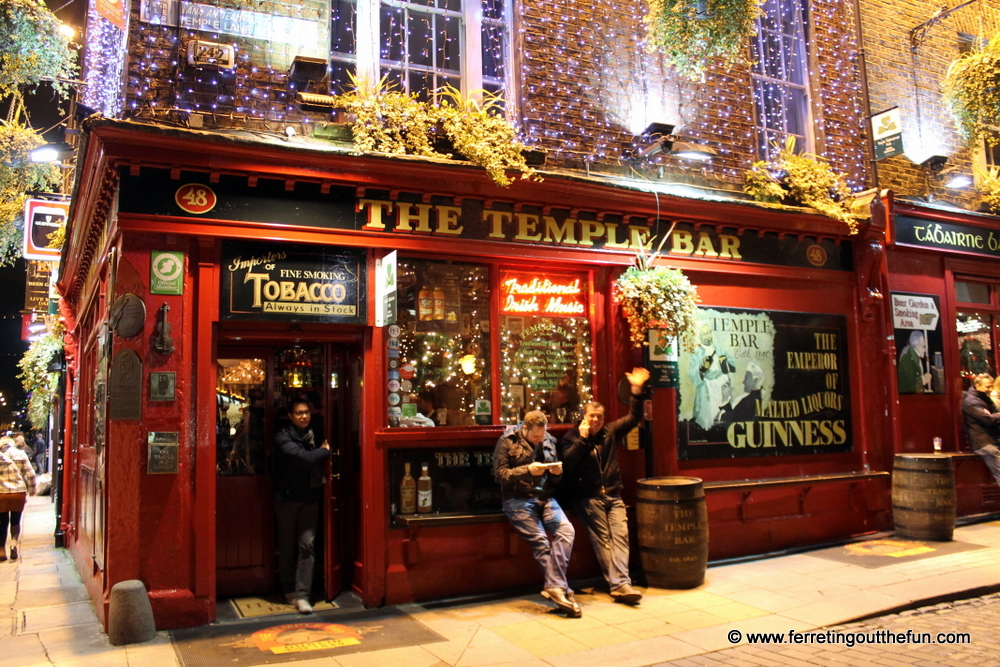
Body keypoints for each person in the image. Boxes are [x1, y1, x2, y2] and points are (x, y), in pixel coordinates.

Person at [560, 367, 648, 605]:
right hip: (588, 498)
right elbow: (567, 463)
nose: (596, 420)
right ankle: (620, 585)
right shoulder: (571, 437)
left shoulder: (610, 432)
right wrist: (583, 438)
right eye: (591, 416)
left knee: (620, 536)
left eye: (599, 416)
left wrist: (636, 391)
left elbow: (634, 417)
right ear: (583, 417)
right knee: (603, 539)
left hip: (613, 494)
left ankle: (621, 584)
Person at [494, 410, 581, 618]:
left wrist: (557, 474)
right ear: (525, 429)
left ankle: (555, 588)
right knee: (541, 541)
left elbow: (555, 482)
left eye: (542, 435)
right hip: (518, 498)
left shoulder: (549, 440)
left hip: (545, 498)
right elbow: (499, 475)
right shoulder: (507, 441)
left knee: (567, 531)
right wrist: (527, 470)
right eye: (535, 437)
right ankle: (564, 592)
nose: (539, 439)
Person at [272, 400, 331, 613]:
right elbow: (302, 458)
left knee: (307, 545)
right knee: (287, 546)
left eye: (306, 412)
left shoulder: (315, 433)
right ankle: (289, 590)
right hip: (287, 499)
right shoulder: (282, 436)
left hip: (309, 497)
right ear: (290, 416)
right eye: (299, 413)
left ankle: (303, 594)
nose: (304, 417)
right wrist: (324, 452)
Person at [689, 325, 734, 430]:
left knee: (723, 419)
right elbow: (693, 376)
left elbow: (732, 367)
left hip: (721, 389)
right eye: (704, 334)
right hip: (707, 391)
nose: (707, 336)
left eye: (708, 333)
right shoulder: (697, 353)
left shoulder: (719, 350)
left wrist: (725, 365)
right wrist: (703, 370)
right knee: (707, 421)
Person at [0, 435, 37, 562]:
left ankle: (1, 550)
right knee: (16, 520)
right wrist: (32, 490)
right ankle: (14, 544)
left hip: (1, 494)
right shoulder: (20, 454)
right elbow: (31, 473)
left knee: (2, 521)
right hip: (18, 492)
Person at [962, 373, 1000, 488]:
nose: (990, 389)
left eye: (991, 386)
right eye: (987, 387)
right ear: (977, 385)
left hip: (991, 441)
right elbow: (987, 419)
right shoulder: (971, 401)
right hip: (984, 443)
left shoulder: (983, 399)